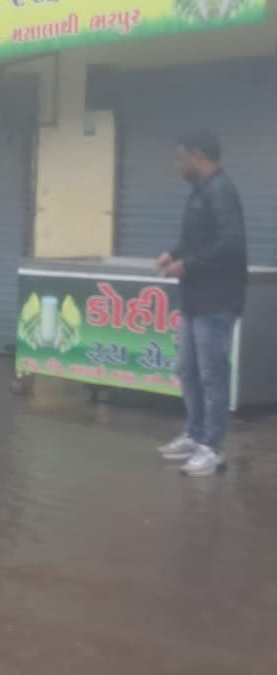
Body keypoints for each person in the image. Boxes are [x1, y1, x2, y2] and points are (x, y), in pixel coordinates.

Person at [156, 129, 248, 477]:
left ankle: (213, 448)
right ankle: (194, 436)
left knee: (212, 375)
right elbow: (195, 240)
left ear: (196, 155)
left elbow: (230, 243)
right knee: (188, 370)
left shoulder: (221, 191)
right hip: (195, 298)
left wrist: (188, 265)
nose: (177, 165)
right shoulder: (200, 192)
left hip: (216, 299)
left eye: (180, 157)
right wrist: (174, 254)